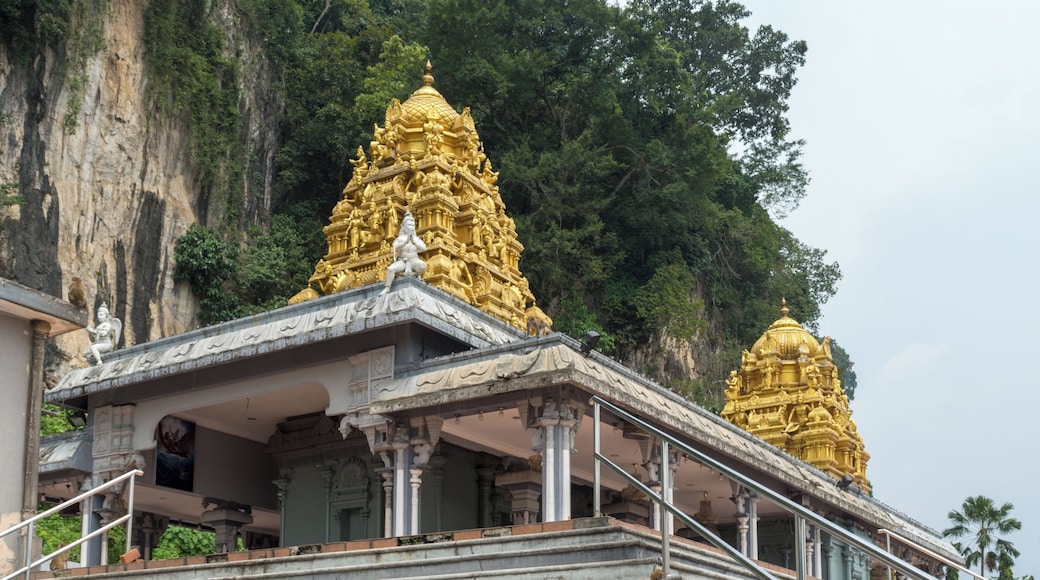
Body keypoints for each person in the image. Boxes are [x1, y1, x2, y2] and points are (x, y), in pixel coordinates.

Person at [381, 212, 426, 294]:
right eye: (409, 225)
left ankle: (415, 275)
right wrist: (405, 241)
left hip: (413, 261)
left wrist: (414, 242)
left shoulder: (416, 239)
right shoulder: (400, 238)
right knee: (391, 269)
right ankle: (387, 287)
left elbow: (424, 248)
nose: (411, 227)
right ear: (404, 227)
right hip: (402, 261)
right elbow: (395, 248)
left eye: (413, 226)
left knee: (422, 266)